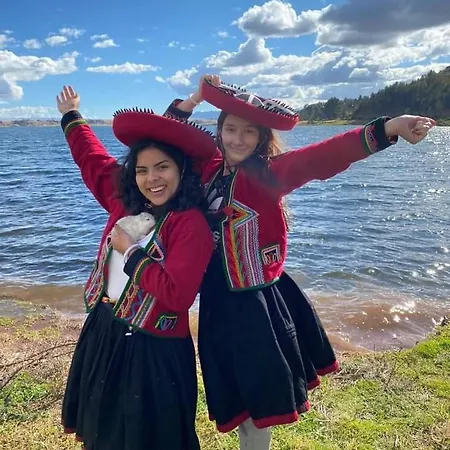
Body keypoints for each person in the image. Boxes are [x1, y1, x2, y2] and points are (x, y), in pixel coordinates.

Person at [164, 75, 435, 449]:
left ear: (262, 137)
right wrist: (196, 98)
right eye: (231, 129)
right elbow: (167, 141)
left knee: (259, 400)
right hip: (216, 302)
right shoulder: (207, 168)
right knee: (236, 394)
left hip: (254, 305)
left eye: (249, 131)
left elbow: (324, 156)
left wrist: (390, 127)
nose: (238, 139)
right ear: (219, 131)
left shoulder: (269, 174)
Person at [56, 86, 215, 450]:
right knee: (105, 429)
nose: (152, 179)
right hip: (105, 328)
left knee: (150, 437)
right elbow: (92, 158)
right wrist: (71, 115)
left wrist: (129, 253)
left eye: (163, 167)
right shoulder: (124, 202)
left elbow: (177, 295)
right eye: (142, 170)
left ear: (182, 169)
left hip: (154, 348)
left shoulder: (189, 224)